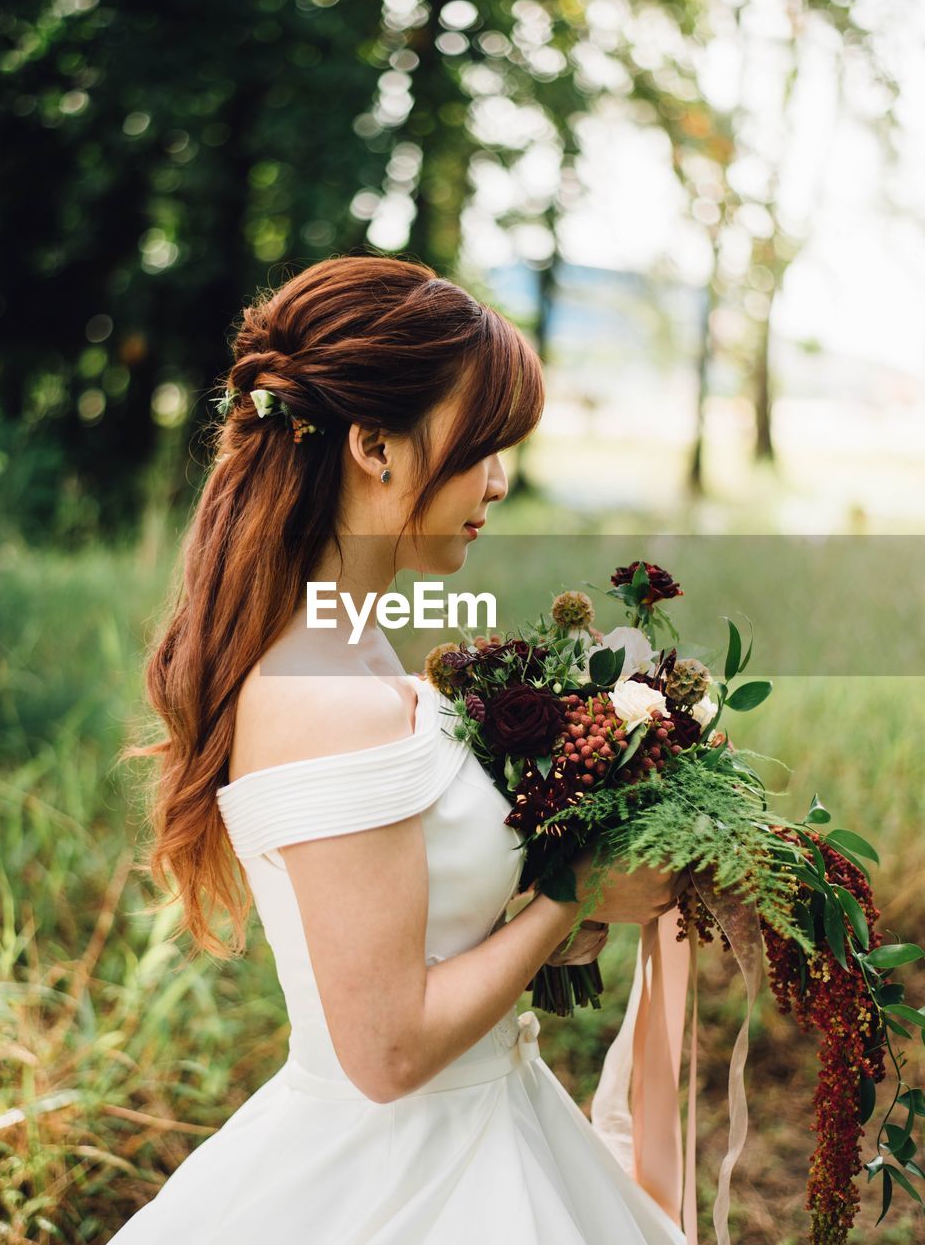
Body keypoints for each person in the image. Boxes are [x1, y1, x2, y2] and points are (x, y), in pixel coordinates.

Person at [110, 252, 689, 1244]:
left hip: (495, 1115)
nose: (499, 481)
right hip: (403, 1182)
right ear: (375, 444)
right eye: (481, 446)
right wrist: (575, 891)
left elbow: (417, 912)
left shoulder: (361, 646)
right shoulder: (323, 695)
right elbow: (386, 1052)